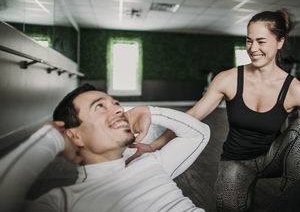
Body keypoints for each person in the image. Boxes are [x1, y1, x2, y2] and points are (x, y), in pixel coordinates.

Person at [129, 9, 300, 211]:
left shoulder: (295, 89)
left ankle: (293, 198)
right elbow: (191, 117)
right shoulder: (228, 79)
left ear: (280, 42)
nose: (253, 48)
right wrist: (153, 146)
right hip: (237, 161)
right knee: (228, 207)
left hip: (273, 157)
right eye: (249, 40)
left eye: (261, 41)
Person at [0, 84, 210, 212]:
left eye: (116, 103)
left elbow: (199, 134)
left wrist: (150, 111)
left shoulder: (151, 162)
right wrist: (50, 139)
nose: (119, 109)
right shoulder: (64, 202)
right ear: (74, 134)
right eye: (99, 106)